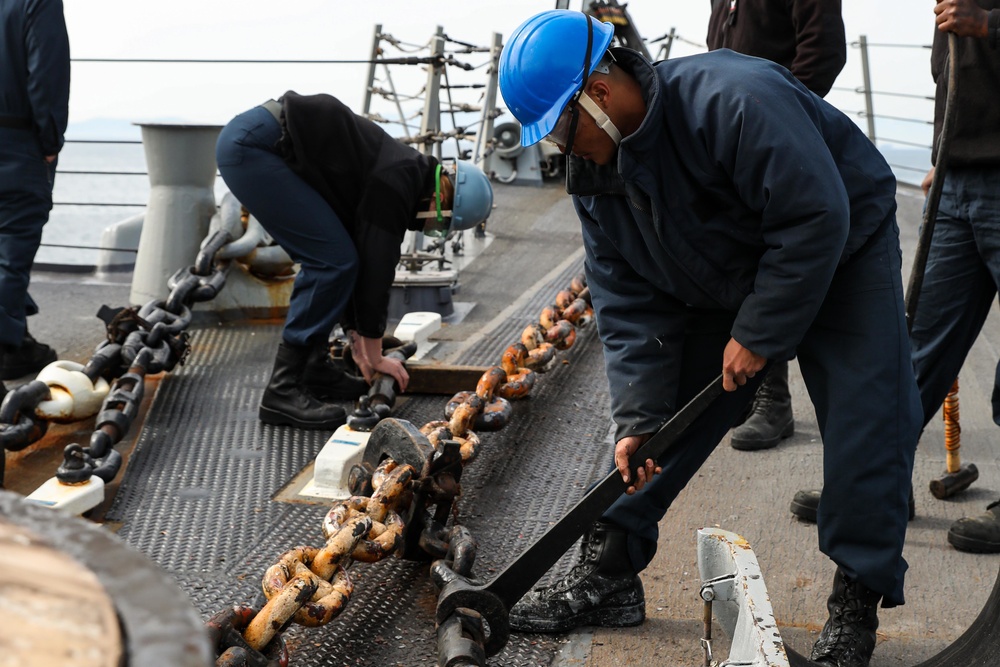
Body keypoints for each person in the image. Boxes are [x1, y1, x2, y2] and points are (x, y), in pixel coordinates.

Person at [498, 10, 921, 667]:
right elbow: (627, 305)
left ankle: (856, 602)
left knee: (869, 413)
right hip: (725, 269)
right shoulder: (597, 180)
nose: (559, 148)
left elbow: (816, 214)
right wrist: (638, 419)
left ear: (599, 94)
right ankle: (610, 571)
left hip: (842, 243)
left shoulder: (735, 101)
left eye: (558, 128)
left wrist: (759, 331)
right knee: (656, 425)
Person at [789, 0, 1000, 554]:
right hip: (958, 178)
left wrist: (990, 25)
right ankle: (876, 488)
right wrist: (948, 153)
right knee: (915, 347)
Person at [216, 92, 493, 430]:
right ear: (442, 195)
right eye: (438, 220)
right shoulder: (399, 179)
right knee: (329, 262)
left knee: (336, 258)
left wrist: (356, 336)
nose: (427, 226)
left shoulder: (401, 171)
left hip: (256, 141)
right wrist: (375, 355)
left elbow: (358, 260)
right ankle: (282, 390)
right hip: (255, 147)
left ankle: (313, 369)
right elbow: (377, 267)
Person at [707, 0, 847, 451]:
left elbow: (824, 50)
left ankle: (774, 401)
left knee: (783, 256)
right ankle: (753, 393)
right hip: (730, 139)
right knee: (737, 256)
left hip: (778, 140)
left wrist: (776, 117)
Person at [0, 0, 70, 389]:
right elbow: (47, 73)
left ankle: (17, 338)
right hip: (15, 140)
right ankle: (7, 348)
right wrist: (50, 140)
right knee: (12, 247)